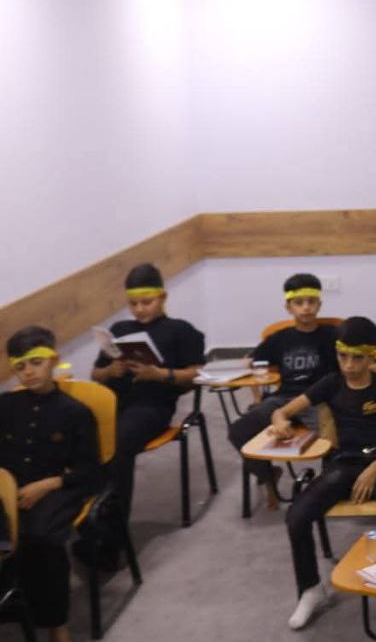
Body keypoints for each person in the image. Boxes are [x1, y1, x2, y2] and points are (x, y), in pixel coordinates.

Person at [273, 317, 376, 629]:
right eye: (343, 356)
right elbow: (284, 410)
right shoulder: (331, 383)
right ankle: (311, 589)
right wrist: (280, 419)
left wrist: (374, 471)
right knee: (296, 516)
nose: (349, 365)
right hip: (345, 463)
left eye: (358, 358)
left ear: (371, 355)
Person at [87, 263, 204, 567]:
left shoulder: (181, 330)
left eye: (146, 302)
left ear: (162, 297)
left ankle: (112, 538)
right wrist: (110, 371)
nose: (139, 309)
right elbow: (95, 374)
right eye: (133, 304)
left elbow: (197, 375)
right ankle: (88, 524)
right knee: (82, 440)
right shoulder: (120, 330)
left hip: (152, 405)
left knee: (118, 446)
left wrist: (160, 375)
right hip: (115, 402)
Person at [0, 327, 102, 642]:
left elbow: (91, 471)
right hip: (9, 488)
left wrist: (47, 485)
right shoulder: (5, 405)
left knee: (41, 537)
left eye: (36, 363)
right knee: (6, 536)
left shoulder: (75, 412)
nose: (28, 372)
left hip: (58, 487)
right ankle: (12, 604)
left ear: (53, 360)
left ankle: (55, 622)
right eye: (20, 367)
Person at [226, 273, 337, 505]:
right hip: (283, 400)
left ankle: (330, 486)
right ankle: (268, 476)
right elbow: (253, 362)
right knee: (238, 431)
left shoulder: (331, 335)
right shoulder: (279, 338)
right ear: (288, 307)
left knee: (335, 440)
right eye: (299, 302)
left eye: (311, 302)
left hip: (318, 401)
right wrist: (256, 396)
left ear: (319, 305)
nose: (306, 308)